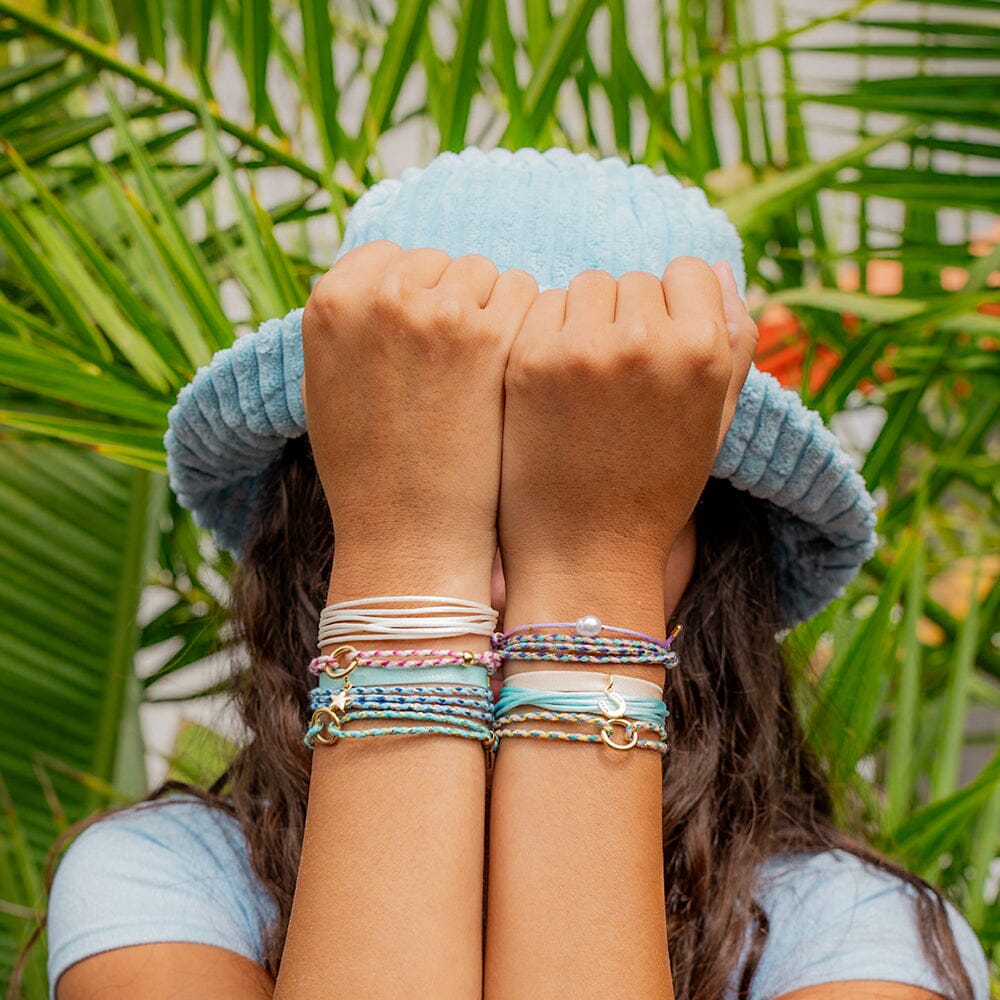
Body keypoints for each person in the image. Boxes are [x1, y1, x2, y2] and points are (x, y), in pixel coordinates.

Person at [16, 146, 989, 1000]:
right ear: (329, 526)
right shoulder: (168, 884)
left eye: (599, 509)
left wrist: (584, 574)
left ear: (714, 556)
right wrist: (413, 560)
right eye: (440, 500)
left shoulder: (860, 939)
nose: (489, 586)